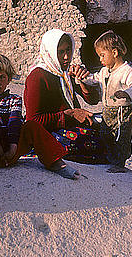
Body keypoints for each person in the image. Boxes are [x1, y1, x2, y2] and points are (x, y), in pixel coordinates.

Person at [0, 52, 79, 179]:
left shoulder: (14, 99)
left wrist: (12, 150)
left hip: (12, 148)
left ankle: (55, 162)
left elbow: (14, 123)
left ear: (9, 79)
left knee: (31, 125)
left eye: (1, 77)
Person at [24, 29, 106, 164]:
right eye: (61, 52)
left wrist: (82, 81)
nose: (67, 57)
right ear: (50, 52)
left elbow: (93, 100)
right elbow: (33, 120)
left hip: (69, 126)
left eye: (68, 50)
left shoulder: (65, 73)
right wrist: (70, 114)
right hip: (51, 132)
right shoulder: (38, 76)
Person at [87, 30, 132, 173]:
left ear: (115, 52)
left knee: (121, 136)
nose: (100, 60)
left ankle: (119, 163)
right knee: (106, 134)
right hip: (108, 110)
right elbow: (95, 79)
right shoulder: (105, 71)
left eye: (102, 55)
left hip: (122, 111)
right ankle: (109, 158)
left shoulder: (126, 71)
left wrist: (127, 93)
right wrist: (83, 78)